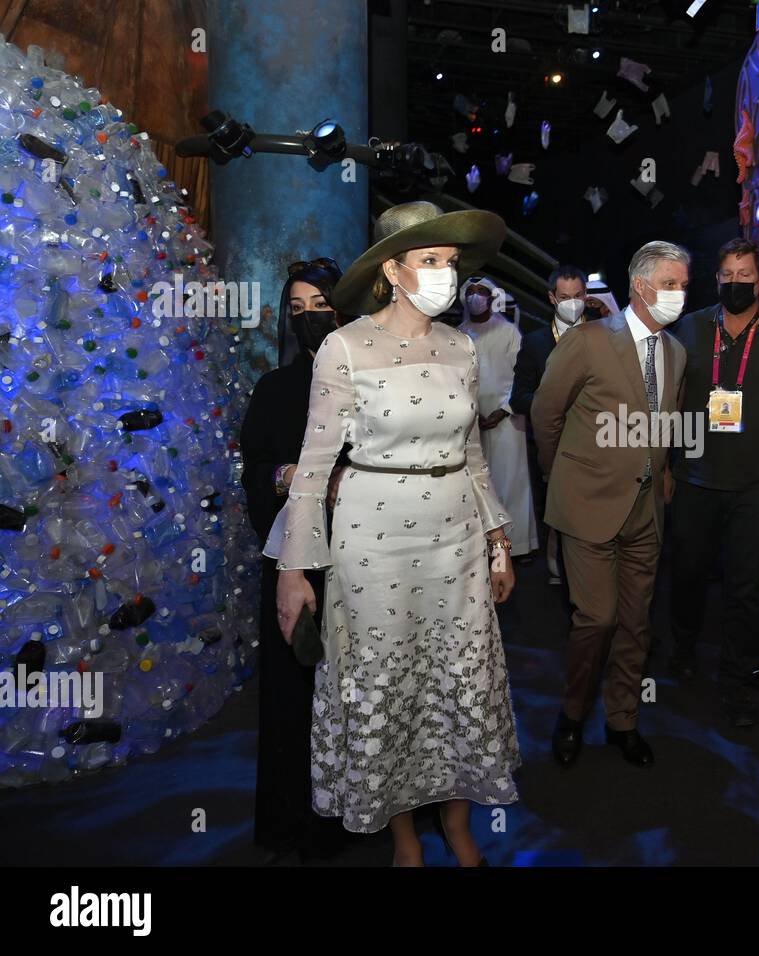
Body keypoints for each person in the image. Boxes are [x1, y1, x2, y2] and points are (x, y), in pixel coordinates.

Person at [263, 201, 520, 867]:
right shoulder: (345, 347)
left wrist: (498, 541)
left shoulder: (461, 346)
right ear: (393, 270)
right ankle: (405, 838)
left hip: (457, 539)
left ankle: (458, 827)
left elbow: (472, 455)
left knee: (457, 684)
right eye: (430, 260)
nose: (446, 273)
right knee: (390, 687)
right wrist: (295, 570)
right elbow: (315, 468)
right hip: (372, 544)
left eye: (450, 261)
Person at [531, 241, 688, 769]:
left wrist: (662, 472)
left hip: (647, 509)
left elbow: (662, 425)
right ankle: (572, 715)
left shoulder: (677, 352)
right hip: (587, 504)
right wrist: (562, 477)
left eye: (685, 285)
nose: (680, 294)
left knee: (635, 622)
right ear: (641, 287)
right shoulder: (589, 341)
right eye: (671, 284)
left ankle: (623, 720)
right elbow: (545, 415)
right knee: (595, 619)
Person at [666, 237, 759, 728]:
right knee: (685, 576)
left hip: (757, 487)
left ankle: (734, 683)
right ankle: (682, 654)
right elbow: (665, 401)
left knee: (745, 589)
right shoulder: (688, 327)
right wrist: (665, 466)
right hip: (692, 480)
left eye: (745, 275)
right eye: (727, 275)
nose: (735, 284)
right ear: (716, 279)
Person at [240, 258, 353, 863]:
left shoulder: (370, 381)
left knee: (358, 688)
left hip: (365, 556)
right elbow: (254, 469)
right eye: (298, 309)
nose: (309, 318)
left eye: (321, 306)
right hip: (293, 559)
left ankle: (368, 813)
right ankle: (296, 823)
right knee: (296, 687)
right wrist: (289, 476)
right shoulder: (276, 389)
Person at [510, 264, 589, 585]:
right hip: (554, 443)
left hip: (598, 441)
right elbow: (519, 398)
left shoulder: (606, 333)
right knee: (559, 511)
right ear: (552, 298)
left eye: (579, 296)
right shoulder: (536, 342)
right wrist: (553, 406)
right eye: (565, 296)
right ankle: (560, 564)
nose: (573, 302)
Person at [460, 274, 539, 561]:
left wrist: (502, 410)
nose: (475, 296)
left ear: (493, 297)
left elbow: (522, 379)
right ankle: (483, 546)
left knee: (510, 483)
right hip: (470, 423)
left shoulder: (509, 332)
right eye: (471, 291)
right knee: (480, 484)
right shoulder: (459, 333)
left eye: (482, 291)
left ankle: (515, 548)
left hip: (507, 420)